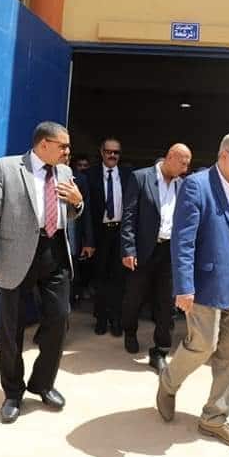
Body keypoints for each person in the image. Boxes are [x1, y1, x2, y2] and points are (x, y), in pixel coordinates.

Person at [156, 131, 229, 450]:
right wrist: (184, 286)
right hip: (206, 280)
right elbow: (183, 241)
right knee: (203, 344)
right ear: (223, 155)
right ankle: (168, 382)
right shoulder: (197, 186)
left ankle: (214, 417)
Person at [0, 121, 84, 424]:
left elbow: (70, 213)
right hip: (15, 258)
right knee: (12, 330)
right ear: (43, 144)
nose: (68, 151)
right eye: (63, 146)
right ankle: (13, 393)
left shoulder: (64, 172)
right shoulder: (7, 168)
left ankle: (43, 384)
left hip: (54, 254)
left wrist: (78, 202)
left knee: (59, 320)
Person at [120, 143, 193, 373]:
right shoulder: (141, 178)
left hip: (170, 252)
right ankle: (129, 331)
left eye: (188, 164)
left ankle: (160, 350)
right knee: (134, 297)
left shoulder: (182, 185)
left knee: (166, 304)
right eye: (183, 163)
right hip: (143, 250)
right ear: (170, 157)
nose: (185, 168)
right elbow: (129, 216)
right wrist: (128, 250)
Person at [86, 138, 132, 335]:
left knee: (119, 278)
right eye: (108, 151)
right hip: (100, 233)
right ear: (101, 152)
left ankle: (116, 318)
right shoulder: (90, 175)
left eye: (116, 152)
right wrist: (88, 240)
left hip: (121, 232)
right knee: (100, 277)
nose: (112, 155)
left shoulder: (128, 175)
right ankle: (101, 318)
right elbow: (86, 211)